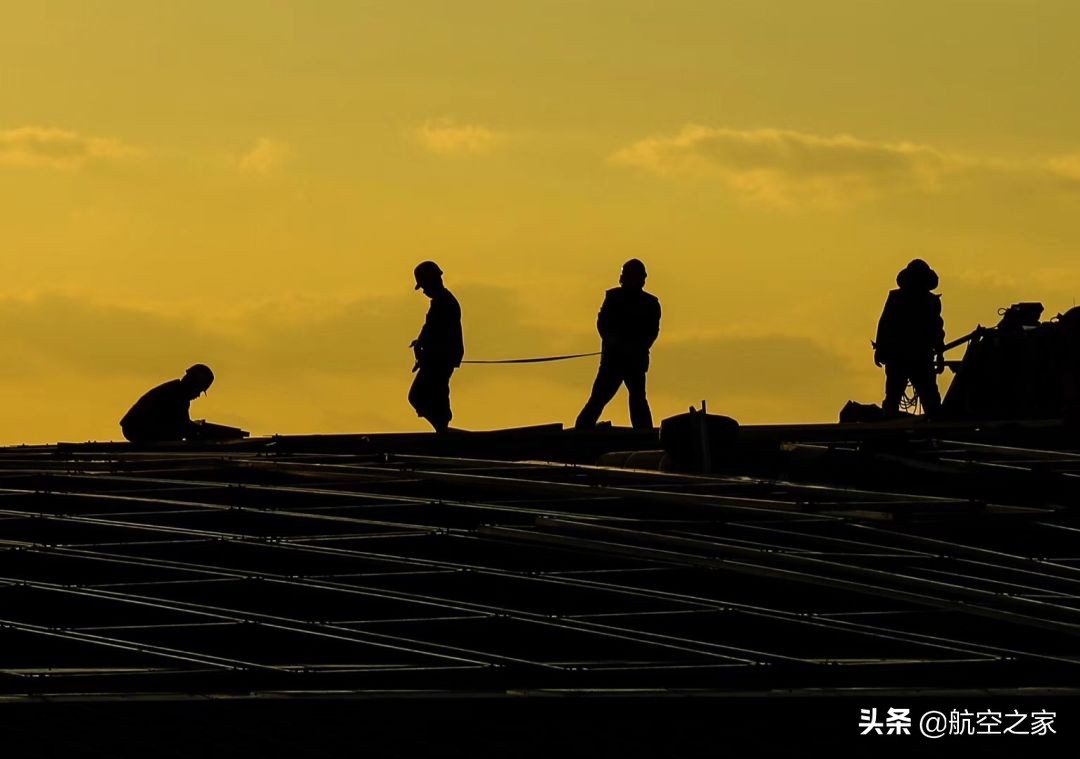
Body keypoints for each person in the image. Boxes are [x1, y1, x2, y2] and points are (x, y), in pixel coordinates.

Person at [575, 259, 661, 430]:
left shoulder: (650, 304)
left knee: (637, 400)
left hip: (633, 361)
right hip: (613, 361)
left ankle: (644, 436)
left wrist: (634, 347)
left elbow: (651, 332)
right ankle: (581, 431)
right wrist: (613, 342)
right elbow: (603, 324)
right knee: (599, 399)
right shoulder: (613, 298)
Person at [874, 259, 945, 416]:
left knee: (928, 400)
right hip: (905, 357)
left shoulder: (928, 302)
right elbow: (885, 324)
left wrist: (940, 354)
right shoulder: (925, 301)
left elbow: (936, 330)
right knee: (897, 397)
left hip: (914, 357)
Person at [409, 261, 464, 433]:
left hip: (440, 358)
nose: (424, 291)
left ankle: (443, 431)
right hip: (438, 358)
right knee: (430, 395)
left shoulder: (445, 303)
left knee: (420, 395)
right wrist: (420, 343)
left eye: (424, 286)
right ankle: (442, 430)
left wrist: (425, 350)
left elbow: (438, 332)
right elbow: (429, 328)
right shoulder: (441, 302)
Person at [120, 364, 218, 443]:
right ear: (193, 384)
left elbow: (183, 423)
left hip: (136, 428)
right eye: (199, 390)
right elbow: (182, 425)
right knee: (177, 433)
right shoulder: (176, 395)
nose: (198, 395)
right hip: (136, 428)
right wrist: (202, 433)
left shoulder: (176, 391)